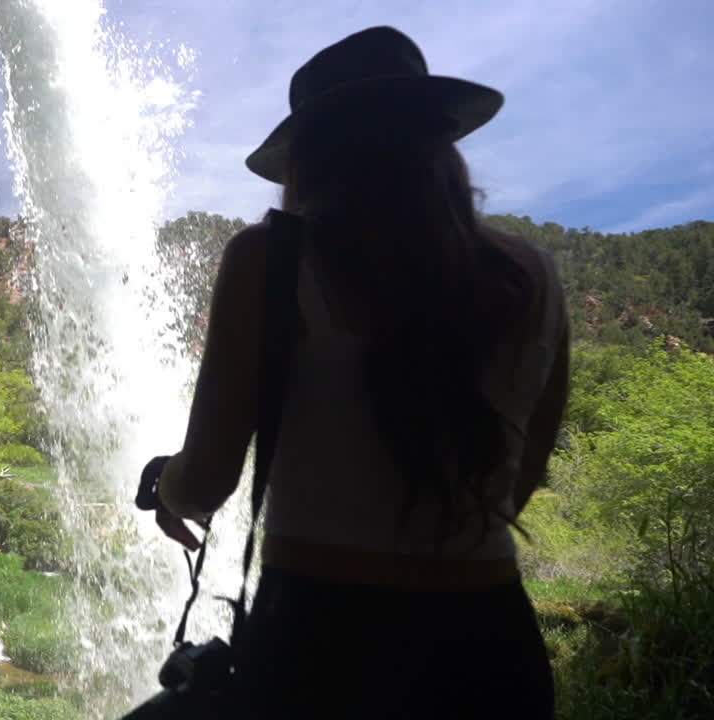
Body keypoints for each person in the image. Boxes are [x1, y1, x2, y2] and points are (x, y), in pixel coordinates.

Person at [150, 26, 569, 718]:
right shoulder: (533, 278)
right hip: (491, 646)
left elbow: (206, 483)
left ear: (309, 158)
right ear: (439, 144)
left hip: (321, 645)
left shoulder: (271, 259)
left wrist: (166, 486)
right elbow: (517, 481)